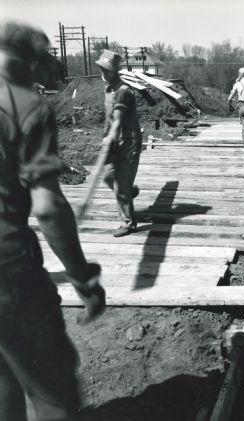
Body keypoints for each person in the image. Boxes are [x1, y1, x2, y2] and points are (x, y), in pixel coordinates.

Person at [0, 20, 106, 421]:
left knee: (5, 380)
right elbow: (47, 207)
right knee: (51, 388)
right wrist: (83, 279)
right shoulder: (24, 105)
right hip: (7, 269)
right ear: (31, 60)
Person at [96, 50, 142, 237]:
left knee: (120, 183)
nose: (103, 73)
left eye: (107, 70)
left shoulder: (124, 92)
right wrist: (105, 137)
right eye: (101, 69)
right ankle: (129, 192)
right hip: (113, 141)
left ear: (116, 71)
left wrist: (112, 135)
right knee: (107, 176)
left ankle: (129, 223)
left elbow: (117, 119)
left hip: (128, 142)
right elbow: (109, 119)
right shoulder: (108, 89)